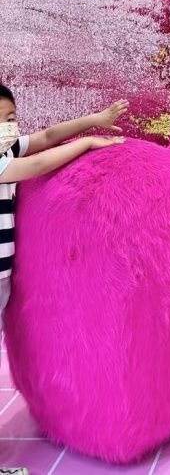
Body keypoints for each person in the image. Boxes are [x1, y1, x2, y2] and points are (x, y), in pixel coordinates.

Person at [0, 85, 127, 475]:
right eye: (0, 121)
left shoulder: (5, 151)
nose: (8, 128)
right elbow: (38, 164)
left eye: (10, 118)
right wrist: (87, 142)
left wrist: (95, 120)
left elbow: (46, 137)